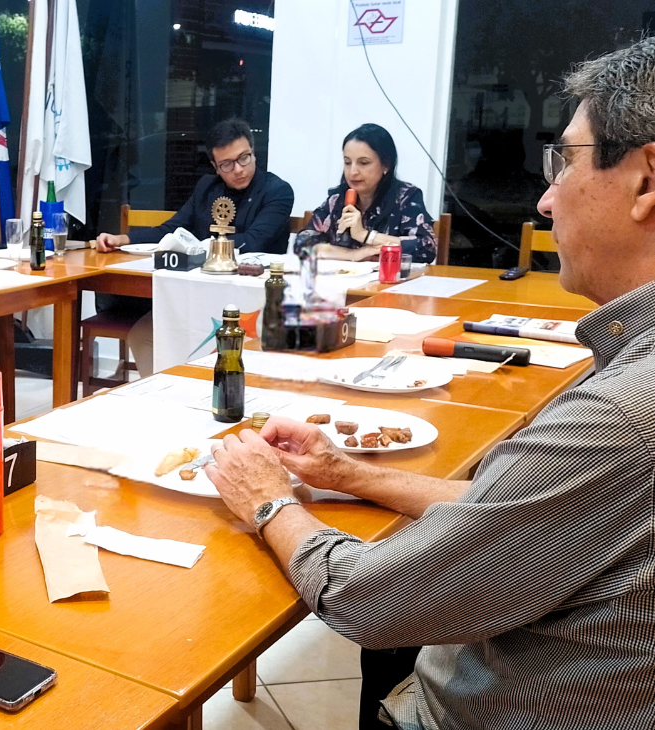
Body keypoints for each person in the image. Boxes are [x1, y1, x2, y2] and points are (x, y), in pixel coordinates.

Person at [204, 38, 655, 730]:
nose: (542, 199)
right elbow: (516, 505)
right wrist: (344, 472)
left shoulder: (623, 417)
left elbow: (369, 599)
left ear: (646, 180)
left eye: (563, 161)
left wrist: (268, 504)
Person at [93, 119, 294, 378]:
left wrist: (200, 250)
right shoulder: (206, 188)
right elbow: (172, 229)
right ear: (215, 166)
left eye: (244, 158)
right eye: (227, 164)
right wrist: (124, 239)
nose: (239, 169)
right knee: (142, 335)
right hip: (198, 295)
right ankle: (164, 398)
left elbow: (255, 241)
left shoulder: (277, 191)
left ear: (254, 152)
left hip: (251, 303)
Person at [294, 124, 437, 264]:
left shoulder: (406, 197)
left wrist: (366, 236)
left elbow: (426, 248)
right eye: (347, 162)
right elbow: (302, 245)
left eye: (363, 163)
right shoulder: (337, 199)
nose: (353, 172)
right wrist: (354, 254)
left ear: (386, 165)